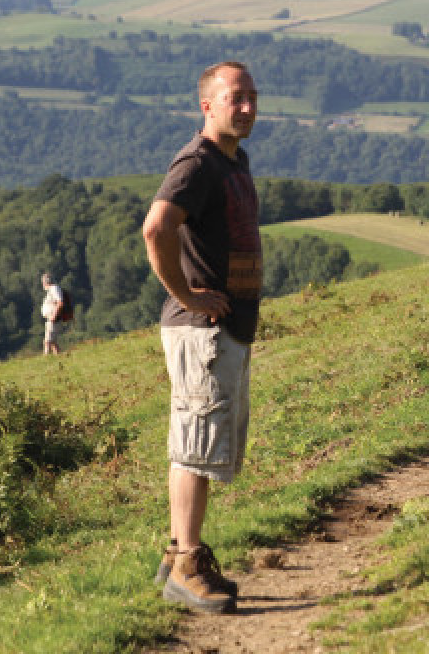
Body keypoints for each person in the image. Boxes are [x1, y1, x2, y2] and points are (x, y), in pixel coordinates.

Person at [141, 61, 262, 615]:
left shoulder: (232, 161)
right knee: (194, 446)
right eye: (234, 98)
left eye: (251, 97)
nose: (246, 107)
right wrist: (188, 297)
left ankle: (178, 554)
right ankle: (188, 565)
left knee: (199, 442)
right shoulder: (197, 164)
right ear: (207, 106)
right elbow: (156, 227)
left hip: (222, 330)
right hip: (202, 332)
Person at [39, 273, 63, 356]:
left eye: (43, 282)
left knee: (47, 341)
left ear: (46, 282)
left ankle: (45, 358)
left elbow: (60, 303)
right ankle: (58, 356)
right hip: (51, 318)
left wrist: (54, 316)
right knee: (52, 342)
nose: (42, 284)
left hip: (53, 319)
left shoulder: (54, 289)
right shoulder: (51, 290)